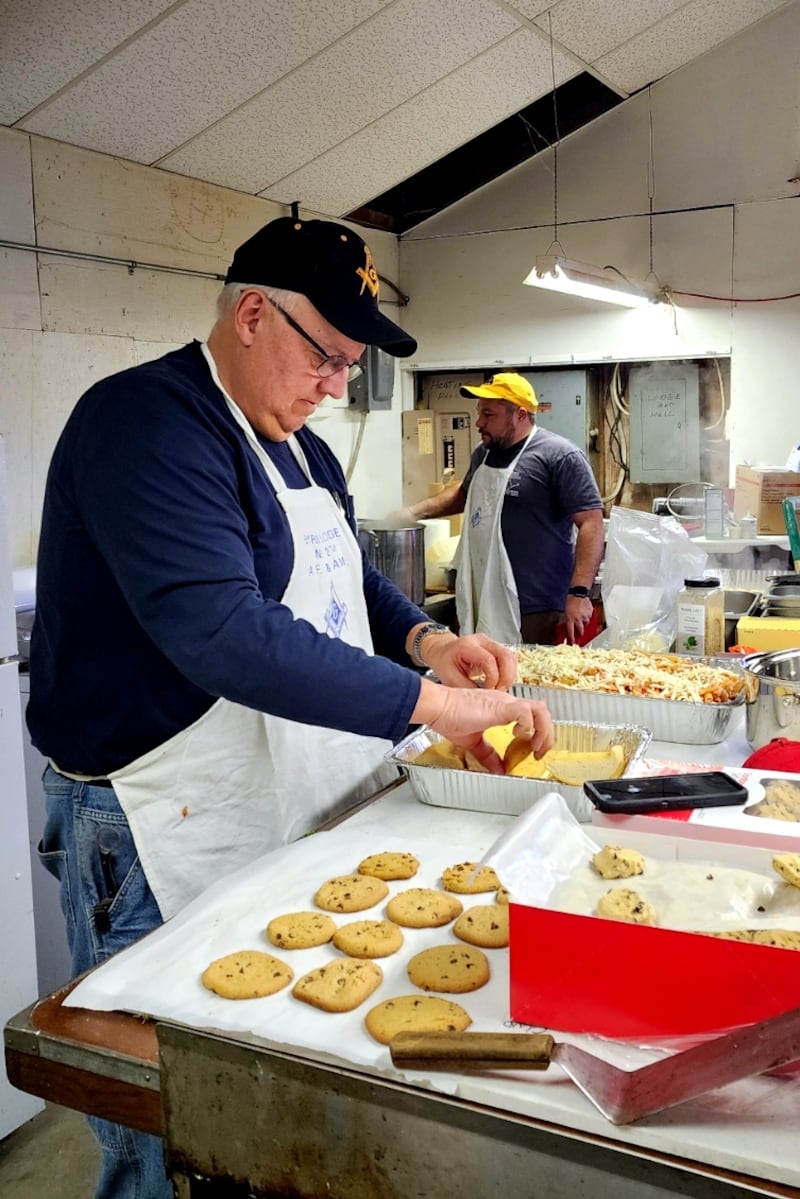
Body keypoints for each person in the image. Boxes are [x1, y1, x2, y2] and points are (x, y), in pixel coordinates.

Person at [28, 217, 553, 1199]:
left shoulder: (301, 449)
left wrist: (426, 641)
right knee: (162, 1120)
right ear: (254, 313)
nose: (333, 385)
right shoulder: (146, 424)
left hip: (277, 799)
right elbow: (220, 629)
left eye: (350, 367)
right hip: (151, 820)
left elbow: (347, 576)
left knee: (258, 1108)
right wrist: (431, 701)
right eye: (327, 357)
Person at [407, 372, 605, 646]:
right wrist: (412, 513)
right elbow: (464, 494)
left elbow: (592, 523)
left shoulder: (559, 456)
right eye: (479, 413)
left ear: (520, 414)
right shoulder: (484, 453)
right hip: (483, 597)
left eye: (489, 415)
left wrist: (579, 594)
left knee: (529, 684)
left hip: (537, 608)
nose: (479, 422)